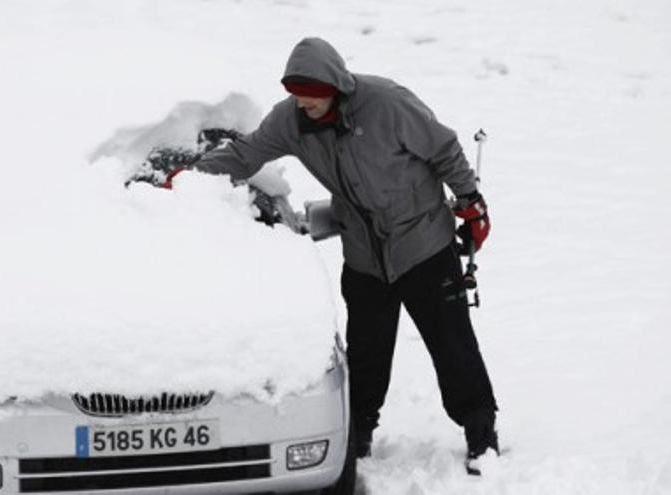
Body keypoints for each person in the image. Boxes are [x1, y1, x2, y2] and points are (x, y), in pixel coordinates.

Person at [191, 37, 499, 472]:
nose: (303, 104)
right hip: (364, 255)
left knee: (452, 345)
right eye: (296, 96)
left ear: (336, 86)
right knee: (366, 353)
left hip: (423, 244)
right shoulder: (292, 120)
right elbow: (246, 154)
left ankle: (481, 433)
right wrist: (188, 177)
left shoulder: (387, 104)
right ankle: (357, 436)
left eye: (311, 96)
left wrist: (470, 201)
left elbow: (443, 148)